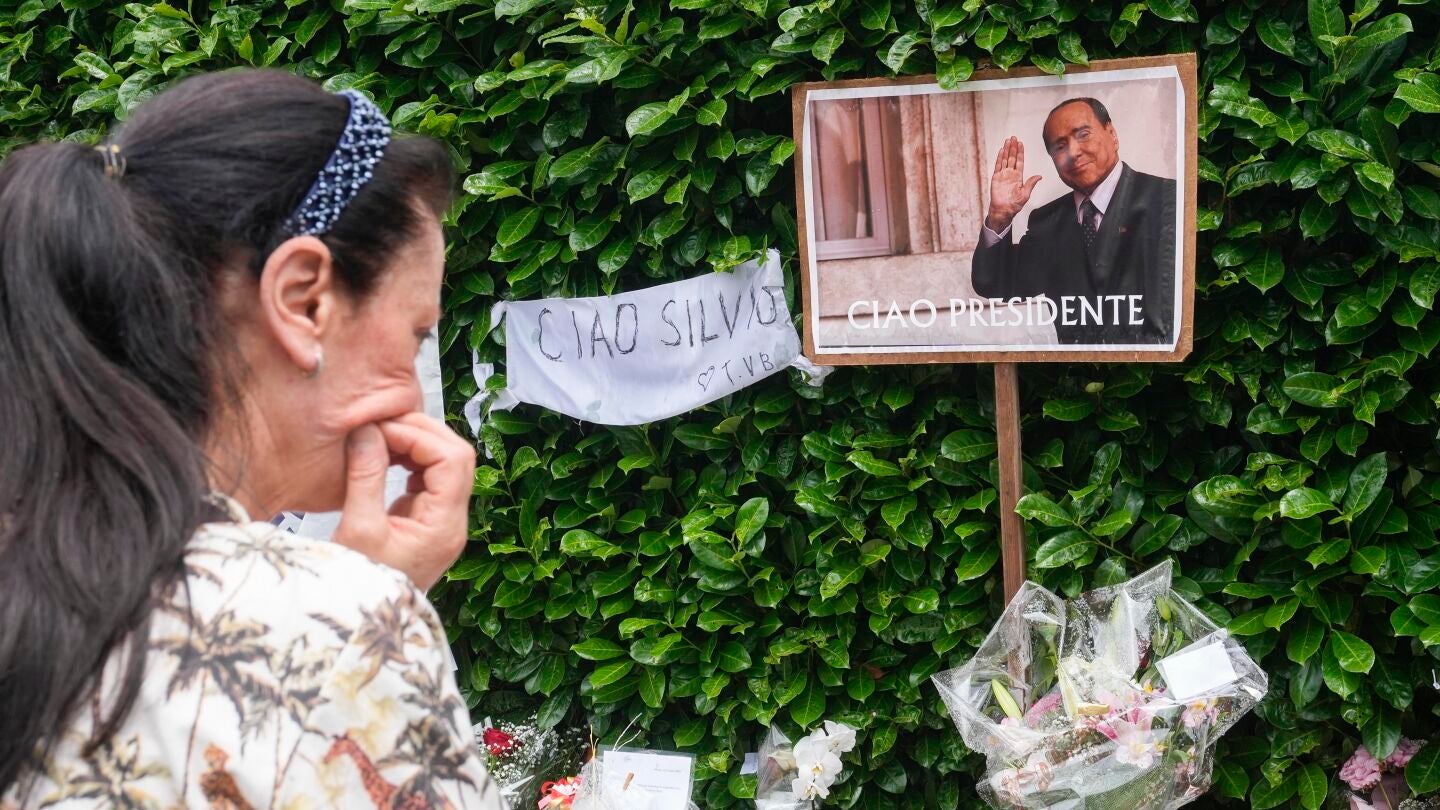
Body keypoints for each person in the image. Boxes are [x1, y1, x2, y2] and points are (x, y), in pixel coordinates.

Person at [0, 71, 506, 808]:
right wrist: (363, 622)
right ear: (303, 300)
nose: (416, 401)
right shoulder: (337, 630)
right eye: (415, 333)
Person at [970, 97, 1177, 345]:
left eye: (1083, 135)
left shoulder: (1169, 199)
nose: (1073, 152)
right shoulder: (1047, 222)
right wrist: (999, 217)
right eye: (1060, 146)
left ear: (1112, 134)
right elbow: (995, 285)